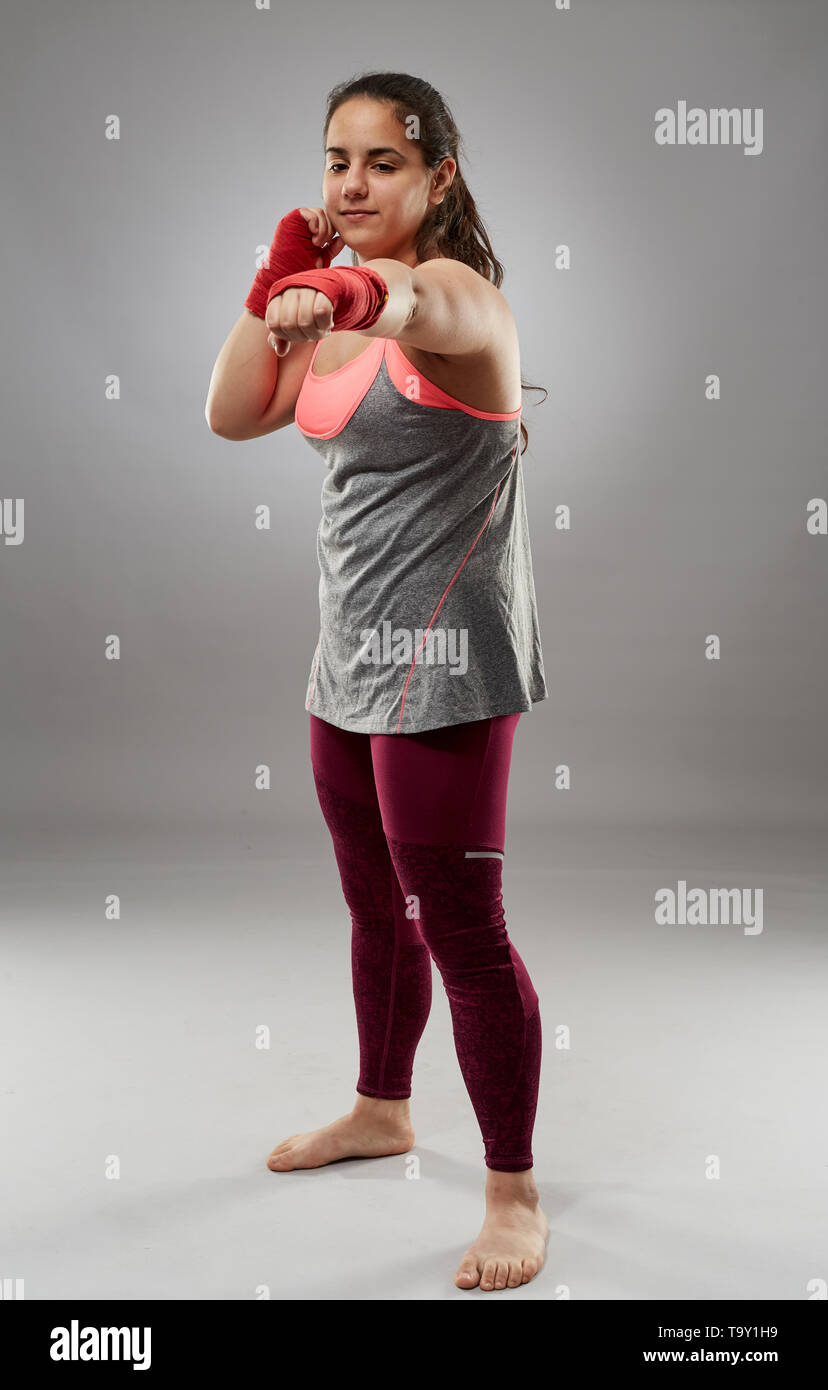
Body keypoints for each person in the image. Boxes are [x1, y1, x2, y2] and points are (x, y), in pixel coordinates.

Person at [205, 71, 550, 1293]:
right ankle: (381, 1108)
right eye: (335, 162)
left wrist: (337, 282)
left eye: (383, 165)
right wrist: (276, 285)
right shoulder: (329, 316)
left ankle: (512, 1190)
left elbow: (405, 293)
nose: (352, 186)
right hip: (343, 661)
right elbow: (231, 409)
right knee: (376, 911)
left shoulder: (462, 300)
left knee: (459, 925)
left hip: (447, 668)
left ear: (438, 178)